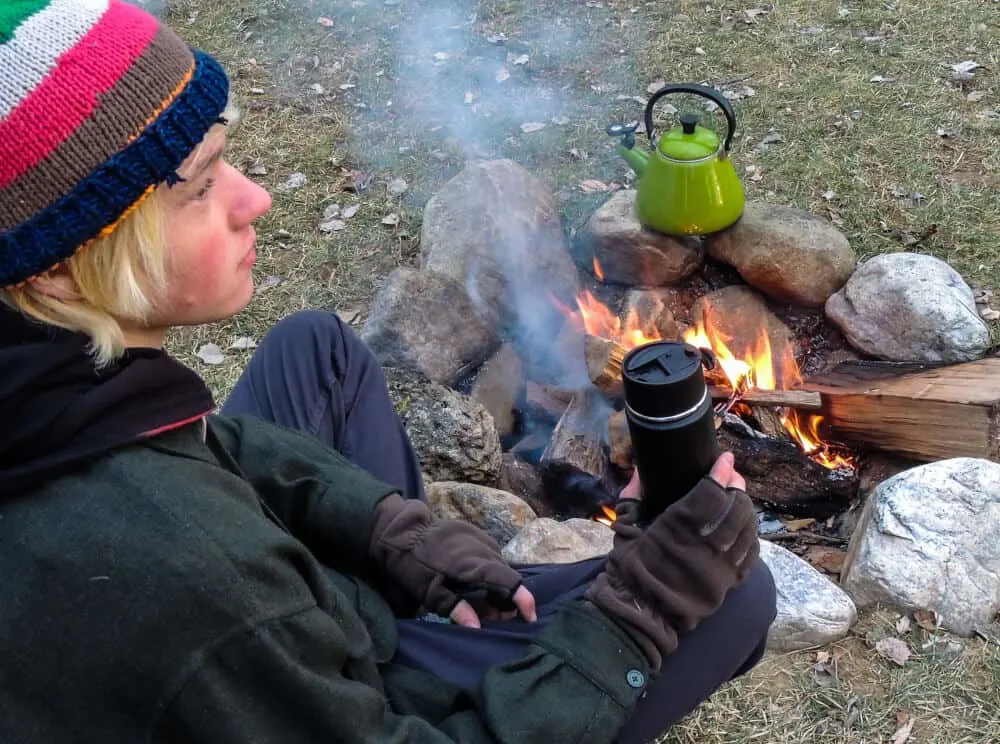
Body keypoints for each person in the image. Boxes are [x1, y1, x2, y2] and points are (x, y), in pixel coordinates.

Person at [0, 2, 776, 742]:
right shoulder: (195, 581)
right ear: (60, 272)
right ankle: (449, 656)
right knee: (733, 597)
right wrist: (641, 610)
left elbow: (202, 445)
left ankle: (430, 620)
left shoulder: (48, 385)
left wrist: (386, 526)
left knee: (319, 349)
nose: (257, 199)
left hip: (288, 627)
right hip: (334, 687)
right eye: (201, 189)